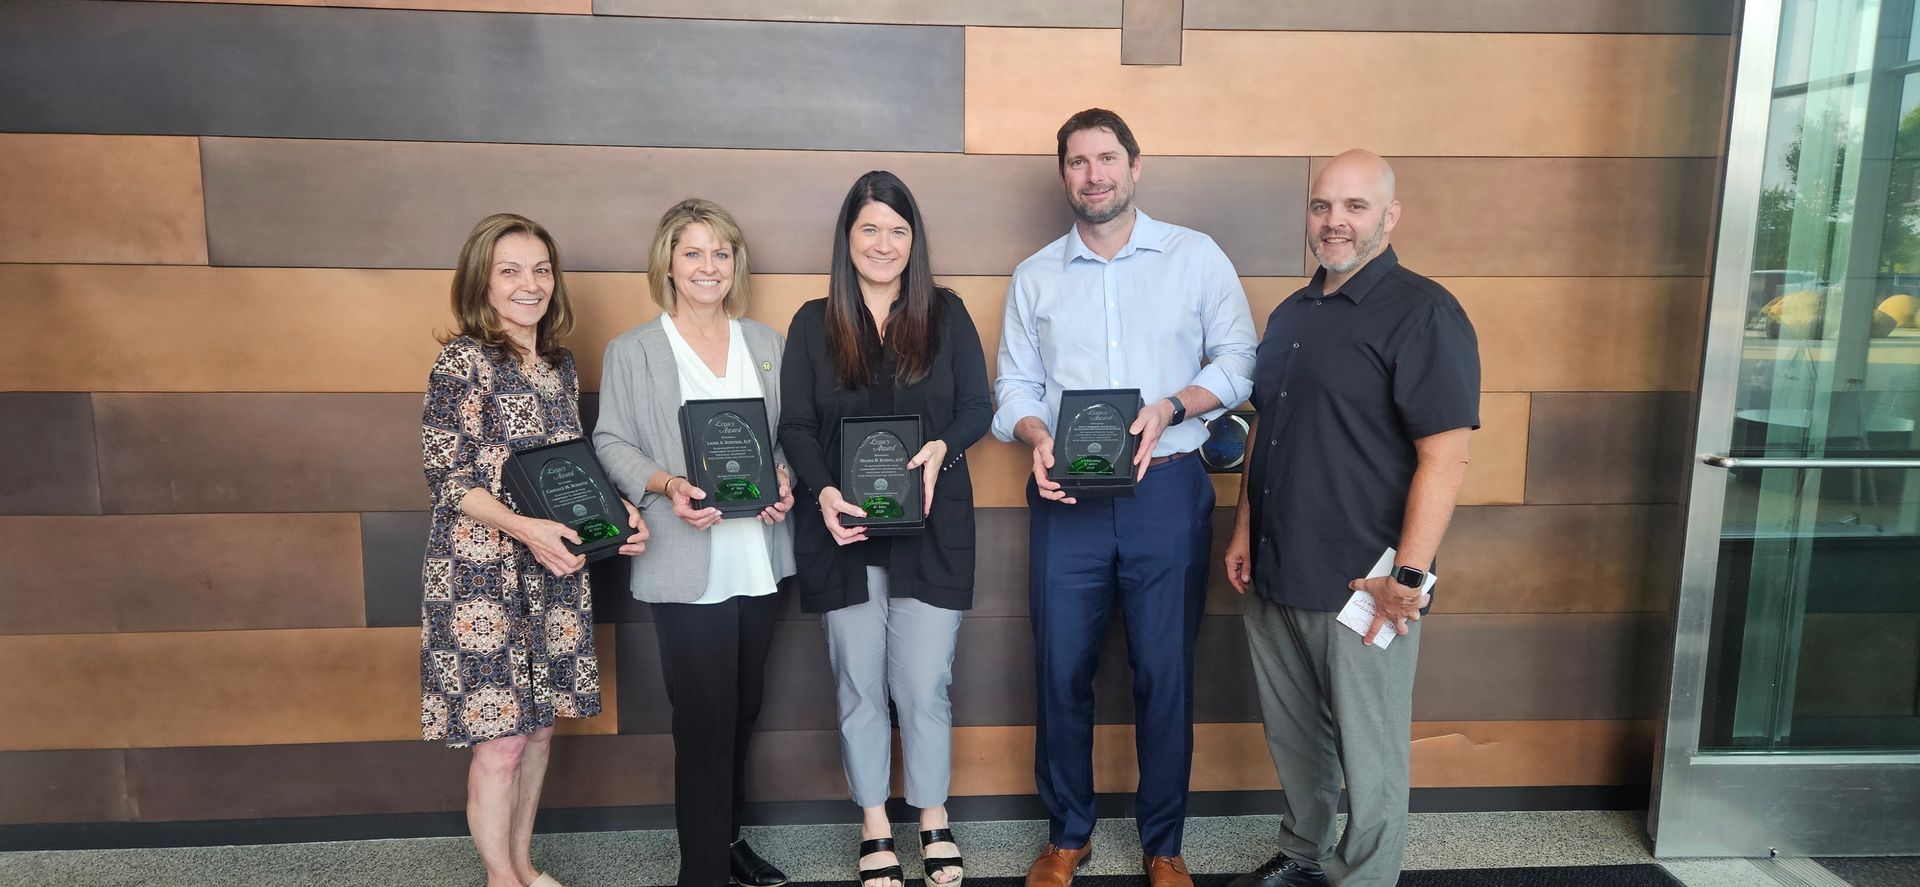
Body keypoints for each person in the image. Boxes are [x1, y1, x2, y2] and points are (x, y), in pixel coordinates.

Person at [992, 109, 1258, 887]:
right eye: (1078, 161)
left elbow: (1241, 359)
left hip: (1167, 490)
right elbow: (1012, 387)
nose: (1094, 174)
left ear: (1135, 166)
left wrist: (1175, 405)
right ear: (1064, 175)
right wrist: (1037, 434)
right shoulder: (1034, 275)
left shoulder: (1194, 256)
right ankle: (1067, 832)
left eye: (1107, 157)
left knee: (1164, 670)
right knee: (1060, 667)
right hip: (1066, 497)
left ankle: (1164, 844)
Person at [1222, 150, 1479, 887]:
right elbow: (1265, 429)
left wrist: (1408, 577)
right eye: (1322, 206)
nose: (1335, 221)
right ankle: (1302, 856)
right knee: (1297, 737)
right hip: (1276, 568)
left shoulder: (1424, 312)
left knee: (1369, 752)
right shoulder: (1291, 314)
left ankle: (1361, 878)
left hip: (1365, 585)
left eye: (1355, 206)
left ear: (1389, 217)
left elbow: (1445, 458)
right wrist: (1243, 532)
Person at [419, 212, 650, 887]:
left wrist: (618, 514)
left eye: (541, 269)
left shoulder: (557, 365)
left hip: (552, 572)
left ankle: (522, 864)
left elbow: (565, 468)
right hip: (480, 575)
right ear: (482, 282)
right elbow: (446, 475)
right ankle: (500, 878)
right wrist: (526, 530)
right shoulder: (462, 359)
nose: (531, 284)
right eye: (511, 270)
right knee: (502, 739)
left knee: (540, 727)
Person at [778, 171, 992, 887]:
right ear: (847, 237)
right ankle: (874, 823)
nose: (883, 242)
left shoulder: (947, 312)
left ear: (913, 239)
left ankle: (932, 815)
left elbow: (978, 407)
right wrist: (826, 490)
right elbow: (797, 427)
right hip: (844, 532)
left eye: (897, 230)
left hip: (932, 528)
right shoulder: (813, 323)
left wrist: (942, 448)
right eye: (870, 228)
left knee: (924, 682)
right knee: (860, 685)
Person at [592, 198, 797, 887]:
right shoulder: (634, 350)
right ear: (669, 264)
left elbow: (783, 440)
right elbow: (611, 439)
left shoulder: (766, 345)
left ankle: (729, 843)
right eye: (693, 252)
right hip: (685, 561)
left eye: (720, 252)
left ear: (735, 263)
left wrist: (787, 479)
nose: (708, 266)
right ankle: (702, 871)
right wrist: (666, 483)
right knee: (703, 721)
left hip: (759, 559)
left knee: (741, 713)